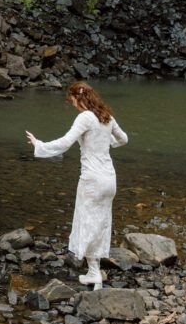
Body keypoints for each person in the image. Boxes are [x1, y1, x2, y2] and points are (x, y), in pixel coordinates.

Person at [25, 81, 128, 289]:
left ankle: (94, 273)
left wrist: (39, 145)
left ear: (77, 98)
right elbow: (124, 139)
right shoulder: (106, 117)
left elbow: (65, 143)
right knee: (101, 222)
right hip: (109, 179)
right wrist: (107, 144)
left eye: (71, 100)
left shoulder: (85, 118)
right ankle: (94, 273)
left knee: (87, 221)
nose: (72, 104)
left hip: (92, 179)